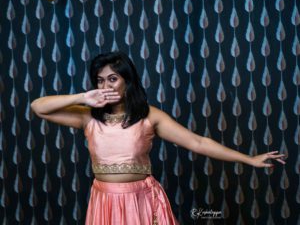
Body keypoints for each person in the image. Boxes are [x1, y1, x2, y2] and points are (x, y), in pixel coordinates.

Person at [31, 51, 286, 225]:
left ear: (126, 82)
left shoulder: (149, 116)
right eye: (100, 81)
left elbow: (197, 142)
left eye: (113, 79)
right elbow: (38, 107)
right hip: (104, 199)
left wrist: (249, 159)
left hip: (141, 199)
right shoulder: (88, 117)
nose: (106, 86)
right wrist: (81, 98)